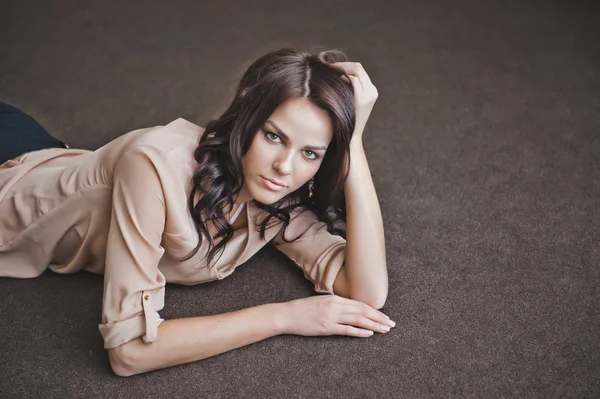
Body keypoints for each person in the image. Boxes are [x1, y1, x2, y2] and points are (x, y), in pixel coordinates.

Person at [0, 48, 392, 376]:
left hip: (50, 152)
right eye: (273, 136)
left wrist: (353, 142)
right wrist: (286, 318)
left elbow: (366, 292)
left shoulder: (279, 193)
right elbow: (129, 351)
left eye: (310, 153)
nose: (285, 167)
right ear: (246, 118)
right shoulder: (153, 166)